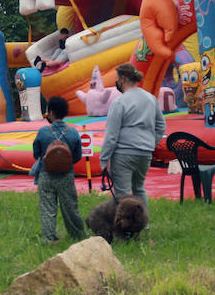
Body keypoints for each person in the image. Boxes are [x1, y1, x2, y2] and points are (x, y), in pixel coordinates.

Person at [98, 62, 165, 210]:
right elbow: (161, 125)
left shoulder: (120, 102)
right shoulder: (150, 98)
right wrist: (150, 144)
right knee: (139, 189)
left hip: (124, 154)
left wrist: (104, 159)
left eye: (117, 78)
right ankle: (143, 224)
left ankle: (127, 229)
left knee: (122, 194)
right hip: (145, 154)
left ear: (122, 79)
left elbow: (112, 135)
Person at [31, 96, 86, 244]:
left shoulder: (43, 132)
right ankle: (78, 234)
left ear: (52, 112)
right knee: (70, 207)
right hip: (66, 175)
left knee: (47, 207)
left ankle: (48, 237)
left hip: (45, 174)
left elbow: (36, 153)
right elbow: (77, 156)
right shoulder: (73, 132)